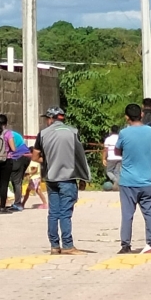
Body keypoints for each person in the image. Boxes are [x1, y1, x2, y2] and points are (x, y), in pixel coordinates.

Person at [31, 106, 91, 254]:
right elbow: (80, 158)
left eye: (47, 119)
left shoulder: (43, 134)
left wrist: (50, 161)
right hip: (68, 178)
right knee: (65, 213)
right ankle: (68, 245)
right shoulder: (73, 132)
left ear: (51, 118)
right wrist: (84, 178)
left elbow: (35, 157)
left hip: (51, 179)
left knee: (53, 213)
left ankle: (54, 245)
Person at [116, 104, 151, 254]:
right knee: (149, 213)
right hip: (147, 179)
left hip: (128, 181)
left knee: (127, 214)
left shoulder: (123, 133)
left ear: (126, 117)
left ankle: (125, 245)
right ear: (142, 115)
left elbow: (117, 151)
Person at [103, 125, 122, 189]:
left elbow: (105, 150)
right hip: (120, 157)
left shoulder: (108, 139)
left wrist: (103, 159)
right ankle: (117, 187)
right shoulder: (120, 138)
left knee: (109, 172)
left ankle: (117, 182)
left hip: (111, 158)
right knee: (117, 172)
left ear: (111, 131)